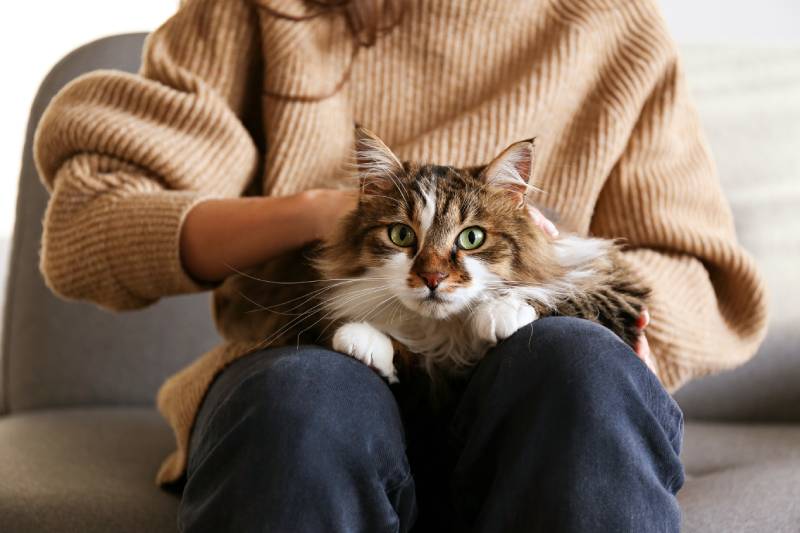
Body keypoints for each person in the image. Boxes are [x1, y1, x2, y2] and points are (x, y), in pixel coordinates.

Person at [33, 0, 768, 531]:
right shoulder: (254, 11)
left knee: (581, 370)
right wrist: (322, 212)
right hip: (321, 370)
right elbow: (87, 225)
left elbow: (703, 276)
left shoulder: (617, 24)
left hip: (537, 386)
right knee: (302, 400)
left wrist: (609, 316)